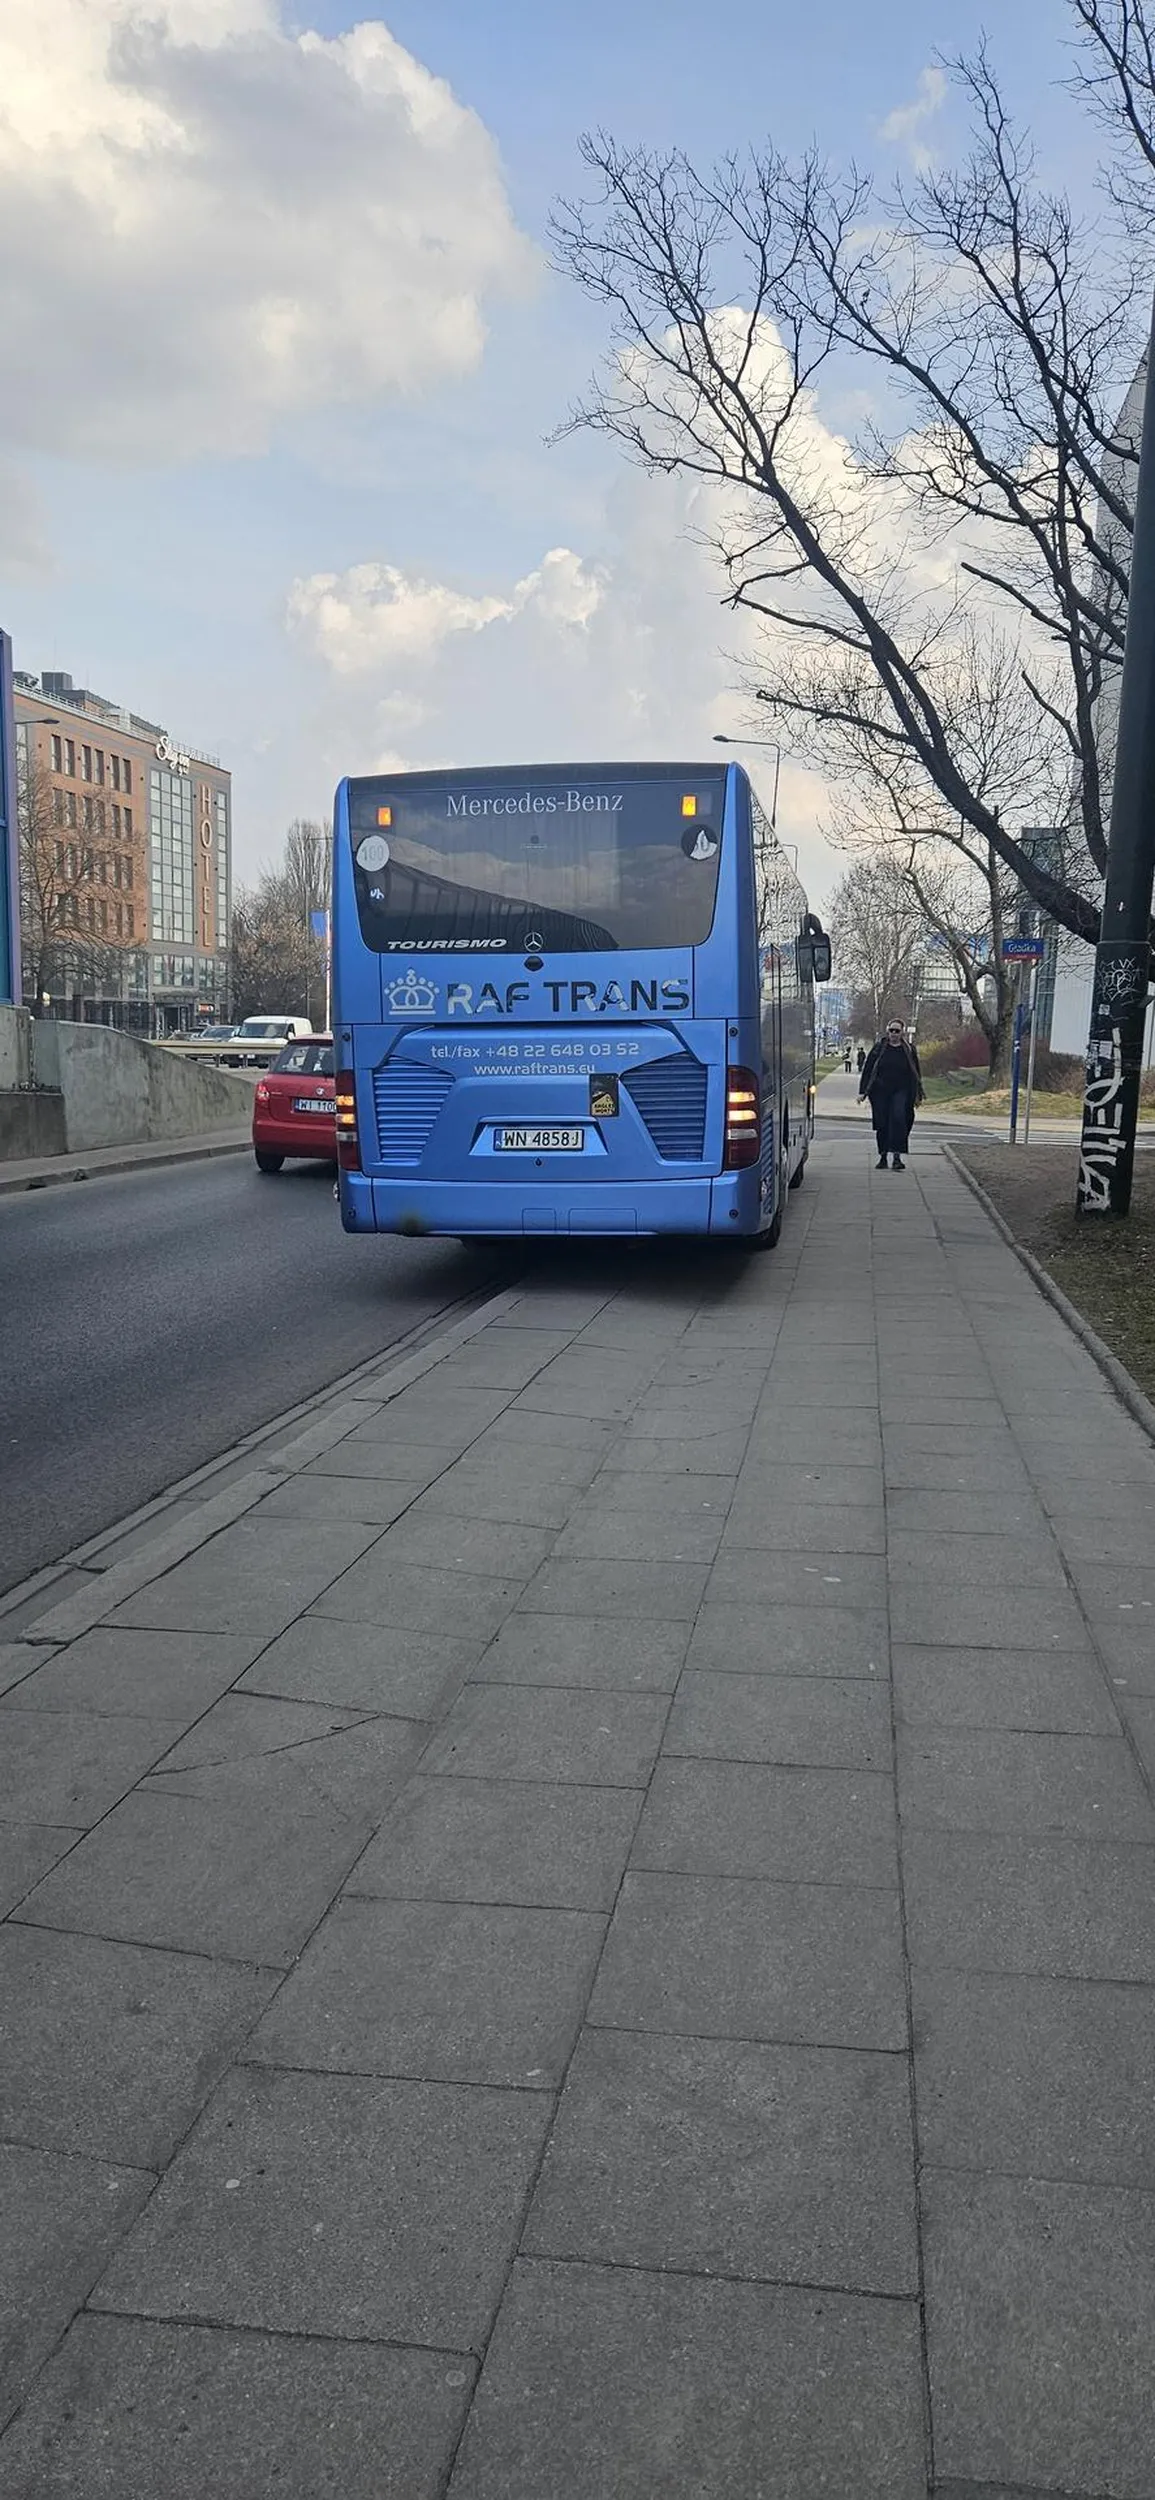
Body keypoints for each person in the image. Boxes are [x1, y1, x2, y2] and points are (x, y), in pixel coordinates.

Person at [859, 1020, 924, 1170]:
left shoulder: (909, 1049)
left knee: (899, 1118)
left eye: (897, 1031)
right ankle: (883, 1156)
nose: (894, 1034)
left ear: (902, 1033)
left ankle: (896, 1157)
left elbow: (916, 1072)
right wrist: (862, 1091)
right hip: (880, 1091)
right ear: (887, 1032)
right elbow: (868, 1069)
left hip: (901, 1090)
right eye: (891, 1031)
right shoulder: (879, 1048)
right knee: (882, 1122)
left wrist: (917, 1095)